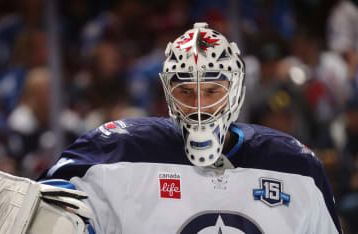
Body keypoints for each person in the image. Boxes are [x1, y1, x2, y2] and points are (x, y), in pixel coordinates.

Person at [38, 23, 341, 233]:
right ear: (168, 95)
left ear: (235, 91)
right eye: (186, 92)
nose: (199, 107)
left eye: (211, 91)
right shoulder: (117, 153)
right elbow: (44, 213)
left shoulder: (296, 168)